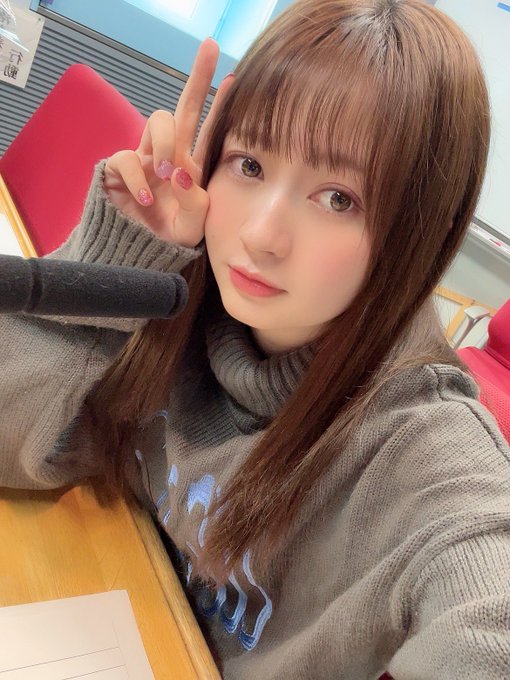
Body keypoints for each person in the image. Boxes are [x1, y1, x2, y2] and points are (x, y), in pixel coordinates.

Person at [1, 0, 509, 677]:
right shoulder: (186, 296)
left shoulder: (417, 452)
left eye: (339, 199)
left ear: (419, 234)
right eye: (249, 164)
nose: (261, 234)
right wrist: (114, 267)